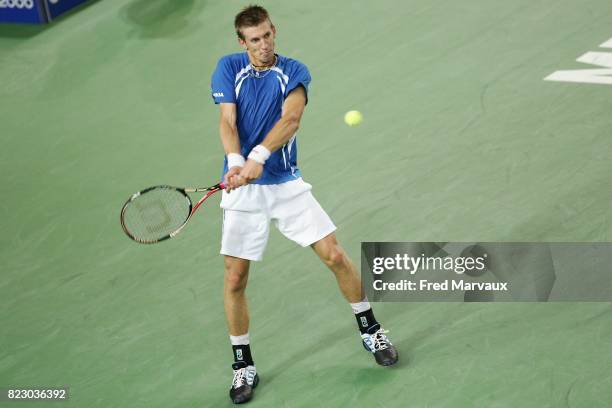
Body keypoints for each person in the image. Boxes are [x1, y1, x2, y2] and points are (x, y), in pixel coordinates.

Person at [210, 5, 398, 404]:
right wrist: (236, 162)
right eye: (254, 40)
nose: (263, 45)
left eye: (267, 35)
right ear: (241, 42)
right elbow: (227, 122)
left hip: (285, 183)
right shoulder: (228, 69)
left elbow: (290, 120)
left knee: (334, 255)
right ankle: (243, 363)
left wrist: (258, 156)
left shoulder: (294, 71)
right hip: (244, 187)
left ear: (274, 31)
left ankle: (370, 328)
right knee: (234, 279)